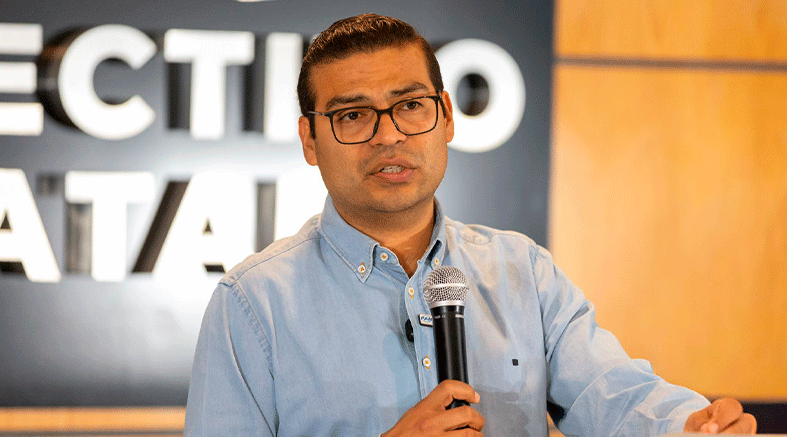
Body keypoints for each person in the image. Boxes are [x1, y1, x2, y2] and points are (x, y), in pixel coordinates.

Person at [184, 13, 757, 436]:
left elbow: (612, 394)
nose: (389, 135)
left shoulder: (522, 271)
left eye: (410, 105)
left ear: (447, 118)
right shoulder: (252, 304)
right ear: (310, 140)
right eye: (353, 114)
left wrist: (693, 424)